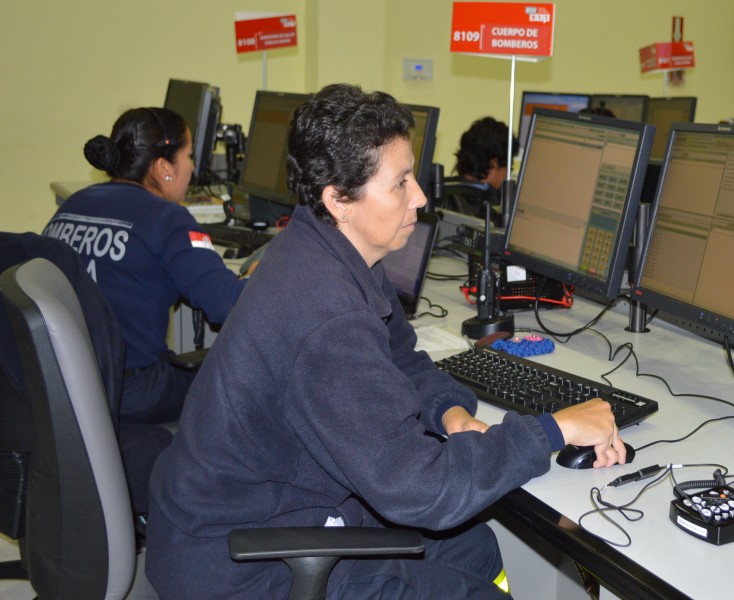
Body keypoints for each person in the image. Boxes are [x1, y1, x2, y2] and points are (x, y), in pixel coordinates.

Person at [145, 84, 627, 599]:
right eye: (399, 183)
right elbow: (423, 490)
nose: (420, 197)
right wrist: (553, 429)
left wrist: (449, 412)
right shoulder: (327, 315)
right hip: (241, 566)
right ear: (338, 199)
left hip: (276, 511)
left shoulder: (331, 249)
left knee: (475, 547)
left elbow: (399, 356)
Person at [42, 107, 247, 424]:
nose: (193, 167)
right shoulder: (167, 219)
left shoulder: (74, 204)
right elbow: (228, 306)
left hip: (62, 384)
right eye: (189, 156)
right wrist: (263, 275)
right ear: (164, 167)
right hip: (131, 390)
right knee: (240, 384)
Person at [441, 116, 518, 218]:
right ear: (494, 164)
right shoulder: (483, 214)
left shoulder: (441, 188)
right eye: (509, 168)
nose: (507, 175)